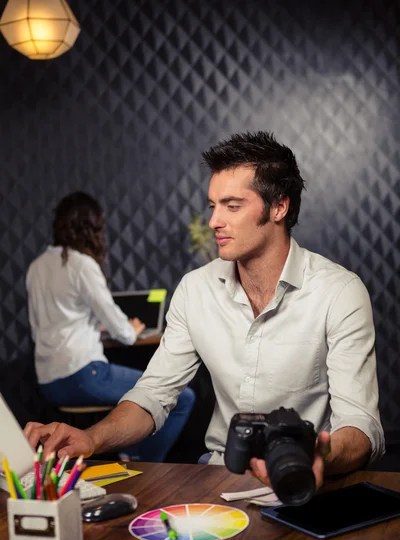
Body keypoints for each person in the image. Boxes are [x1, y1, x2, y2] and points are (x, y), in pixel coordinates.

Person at [25, 132, 385, 488]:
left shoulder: (339, 292)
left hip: (302, 483)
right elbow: (152, 396)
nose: (214, 221)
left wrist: (319, 456)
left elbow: (360, 425)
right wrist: (91, 439)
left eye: (232, 206)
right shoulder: (195, 289)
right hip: (219, 478)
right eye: (213, 205)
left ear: (279, 206)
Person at [25, 191, 195, 462]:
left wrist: (93, 328)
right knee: (182, 398)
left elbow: (40, 328)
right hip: (83, 375)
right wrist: (133, 328)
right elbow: (125, 334)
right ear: (92, 227)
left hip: (47, 382)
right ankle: (144, 463)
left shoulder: (36, 266)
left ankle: (131, 456)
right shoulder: (81, 264)